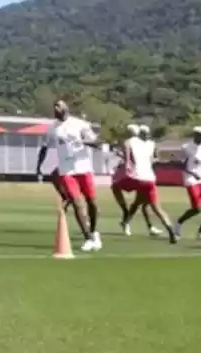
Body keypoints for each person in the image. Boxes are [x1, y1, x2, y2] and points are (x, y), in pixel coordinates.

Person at [40, 100, 102, 252]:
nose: (56, 108)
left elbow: (97, 143)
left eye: (59, 105)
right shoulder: (53, 129)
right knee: (76, 202)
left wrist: (85, 141)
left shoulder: (80, 124)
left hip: (83, 167)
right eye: (54, 105)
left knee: (92, 203)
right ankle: (87, 237)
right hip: (67, 171)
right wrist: (39, 165)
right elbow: (44, 147)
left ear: (66, 108)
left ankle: (93, 232)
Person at [118, 125, 177, 243]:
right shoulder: (151, 144)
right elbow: (152, 160)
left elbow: (127, 155)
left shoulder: (131, 142)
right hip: (150, 179)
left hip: (136, 178)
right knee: (156, 208)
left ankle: (125, 220)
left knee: (116, 187)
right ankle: (170, 229)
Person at [112, 124, 162, 237]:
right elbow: (129, 159)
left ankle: (128, 222)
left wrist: (149, 161)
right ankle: (131, 222)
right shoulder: (132, 143)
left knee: (142, 203)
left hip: (144, 175)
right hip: (137, 175)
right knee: (141, 203)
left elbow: (155, 157)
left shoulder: (147, 144)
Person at [173, 125, 201, 243]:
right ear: (194, 135)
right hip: (191, 179)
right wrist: (193, 173)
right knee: (197, 209)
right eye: (198, 135)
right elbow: (181, 165)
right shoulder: (186, 147)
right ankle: (178, 223)